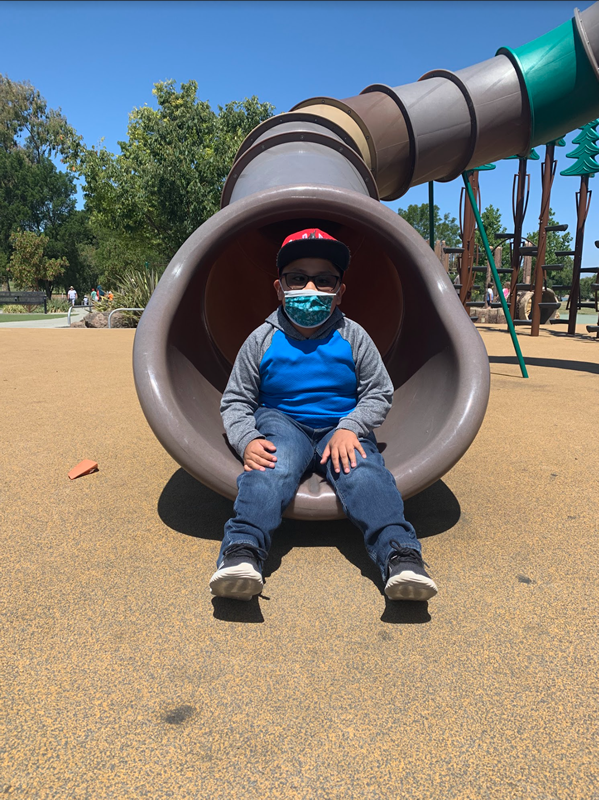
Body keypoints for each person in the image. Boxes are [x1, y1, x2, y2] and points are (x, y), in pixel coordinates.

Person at [210, 228, 438, 604]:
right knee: (272, 465)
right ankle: (242, 550)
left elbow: (379, 392)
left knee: (365, 474)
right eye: (298, 278)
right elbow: (236, 399)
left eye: (325, 280)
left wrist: (351, 427)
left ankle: (401, 555)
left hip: (340, 426)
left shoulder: (353, 336)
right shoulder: (262, 339)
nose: (311, 289)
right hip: (283, 421)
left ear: (340, 291)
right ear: (280, 288)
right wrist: (247, 439)